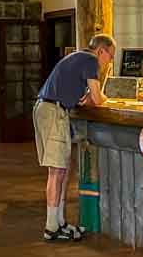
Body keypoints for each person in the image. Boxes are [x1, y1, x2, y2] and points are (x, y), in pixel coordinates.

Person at [34, 33, 115, 242]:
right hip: (54, 111)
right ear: (101, 51)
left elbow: (85, 99)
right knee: (57, 170)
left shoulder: (78, 58)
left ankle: (59, 222)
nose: (110, 61)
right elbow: (97, 99)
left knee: (62, 169)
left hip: (50, 109)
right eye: (110, 55)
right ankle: (51, 227)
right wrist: (111, 100)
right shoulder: (89, 60)